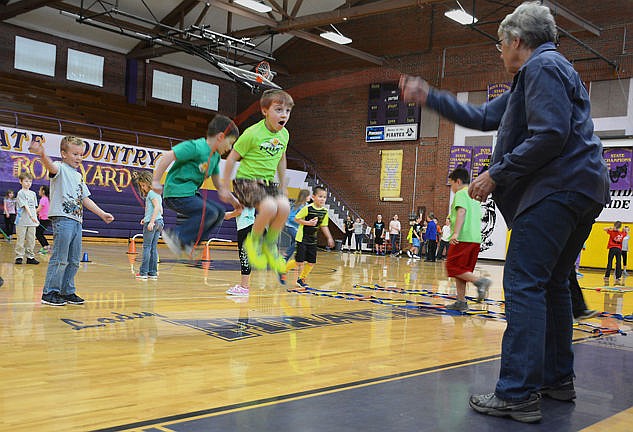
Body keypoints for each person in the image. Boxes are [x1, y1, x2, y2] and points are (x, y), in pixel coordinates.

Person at [400, 2, 609, 423]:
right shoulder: (536, 78)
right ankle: (556, 379)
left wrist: (496, 173)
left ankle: (516, 392)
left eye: (500, 43)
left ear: (516, 40)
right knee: (552, 285)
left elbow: (551, 135)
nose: (499, 51)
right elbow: (480, 115)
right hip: (581, 189)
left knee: (524, 284)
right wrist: (430, 97)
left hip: (556, 191)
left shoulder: (541, 68)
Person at [29, 136, 115, 306]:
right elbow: (50, 166)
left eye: (81, 154)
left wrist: (102, 213)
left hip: (77, 221)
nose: (78, 158)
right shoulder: (60, 168)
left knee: (74, 260)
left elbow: (85, 198)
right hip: (63, 219)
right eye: (75, 154)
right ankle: (49, 292)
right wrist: (42, 154)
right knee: (60, 258)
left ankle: (66, 291)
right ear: (64, 154)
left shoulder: (78, 176)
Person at [221, 89, 294, 276]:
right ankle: (253, 243)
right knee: (269, 207)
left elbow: (281, 158)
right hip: (246, 182)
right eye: (278, 110)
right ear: (264, 111)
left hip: (268, 184)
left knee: (284, 207)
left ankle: (270, 245)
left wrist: (284, 186)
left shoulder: (284, 135)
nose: (284, 115)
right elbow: (231, 159)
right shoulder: (252, 133)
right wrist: (224, 186)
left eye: (287, 111)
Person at [152, 115, 240, 257]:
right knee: (210, 212)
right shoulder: (196, 147)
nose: (230, 148)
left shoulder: (215, 157)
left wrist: (234, 202)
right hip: (176, 193)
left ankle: (188, 243)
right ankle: (177, 235)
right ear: (220, 136)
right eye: (230, 143)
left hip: (189, 195)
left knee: (218, 212)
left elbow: (219, 186)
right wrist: (156, 181)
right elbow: (168, 155)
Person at [443, 168, 491, 311]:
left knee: (452, 266)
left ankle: (480, 282)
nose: (451, 189)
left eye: (451, 185)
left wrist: (456, 233)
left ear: (458, 181)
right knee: (462, 271)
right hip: (475, 239)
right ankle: (461, 302)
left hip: (463, 237)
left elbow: (462, 212)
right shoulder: (474, 196)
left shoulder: (461, 193)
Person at [286, 186, 334, 288]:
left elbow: (324, 225)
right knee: (299, 261)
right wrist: (308, 223)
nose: (322, 199)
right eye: (320, 196)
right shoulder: (307, 208)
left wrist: (329, 237)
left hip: (312, 240)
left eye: (324, 197)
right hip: (302, 238)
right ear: (313, 197)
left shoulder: (324, 212)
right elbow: (296, 219)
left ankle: (301, 279)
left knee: (311, 262)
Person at [133, 171, 164, 280]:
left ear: (148, 183)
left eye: (143, 185)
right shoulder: (158, 193)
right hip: (159, 222)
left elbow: (156, 208)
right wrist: (146, 218)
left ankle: (143, 273)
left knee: (147, 247)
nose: (142, 188)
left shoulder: (151, 193)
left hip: (153, 222)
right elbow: (161, 210)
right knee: (153, 248)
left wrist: (150, 221)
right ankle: (153, 272)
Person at [224, 206, 255, 296]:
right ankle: (244, 286)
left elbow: (239, 211)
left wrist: (228, 215)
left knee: (244, 257)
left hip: (245, 228)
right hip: (248, 227)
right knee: (245, 257)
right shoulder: (250, 195)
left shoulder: (245, 195)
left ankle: (244, 287)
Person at [14, 172, 40, 265]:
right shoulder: (20, 193)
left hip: (32, 221)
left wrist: (36, 218)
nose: (28, 183)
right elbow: (25, 206)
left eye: (30, 181)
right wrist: (31, 216)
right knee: (20, 240)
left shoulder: (33, 193)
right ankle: (19, 256)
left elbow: (34, 207)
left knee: (31, 240)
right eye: (26, 181)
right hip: (21, 221)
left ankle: (30, 257)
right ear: (21, 182)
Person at [283, 189, 310, 260]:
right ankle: (286, 253)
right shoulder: (297, 205)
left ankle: (284, 262)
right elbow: (291, 217)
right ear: (305, 196)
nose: (310, 197)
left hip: (298, 229)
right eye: (308, 195)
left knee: (295, 244)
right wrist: (300, 221)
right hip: (290, 227)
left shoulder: (307, 206)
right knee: (298, 240)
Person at [35, 185, 51, 253]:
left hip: (45, 219)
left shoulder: (43, 199)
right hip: (47, 219)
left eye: (40, 190)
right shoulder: (47, 198)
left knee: (38, 233)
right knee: (40, 232)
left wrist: (31, 213)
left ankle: (45, 247)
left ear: (43, 191)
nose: (39, 191)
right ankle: (46, 246)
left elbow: (38, 209)